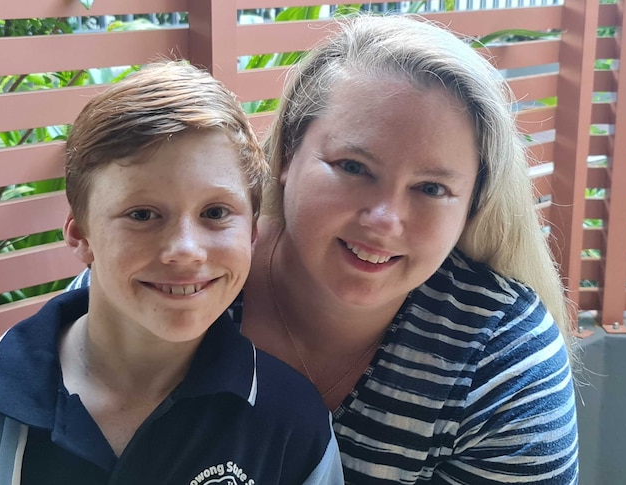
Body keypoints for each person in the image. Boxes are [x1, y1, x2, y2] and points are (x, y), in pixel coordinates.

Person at [69, 15, 579, 484]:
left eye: (431, 188)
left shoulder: (501, 364)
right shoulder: (171, 273)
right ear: (287, 153)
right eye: (353, 167)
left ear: (471, 205)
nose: (384, 219)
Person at [0, 62, 344, 485]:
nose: (184, 250)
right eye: (142, 215)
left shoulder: (292, 427)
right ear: (81, 236)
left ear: (252, 235)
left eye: (216, 212)